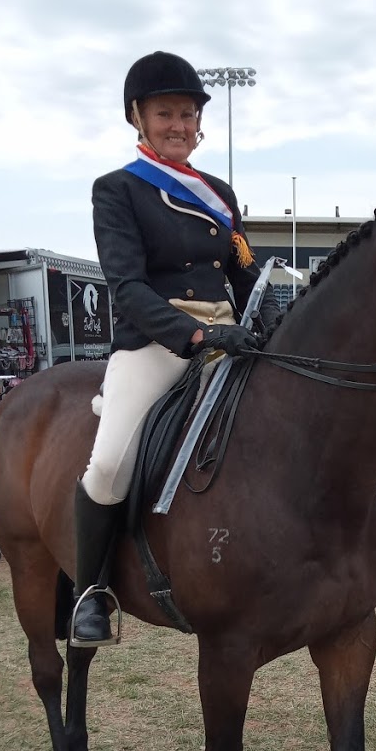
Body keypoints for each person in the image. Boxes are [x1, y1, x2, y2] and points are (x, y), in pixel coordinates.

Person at [72, 51, 280, 646]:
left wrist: (270, 322)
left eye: (188, 115)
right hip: (159, 344)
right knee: (109, 464)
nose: (179, 126)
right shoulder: (117, 190)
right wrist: (198, 335)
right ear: (137, 117)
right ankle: (91, 594)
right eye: (166, 114)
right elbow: (127, 287)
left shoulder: (218, 192)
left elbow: (243, 272)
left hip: (229, 339)